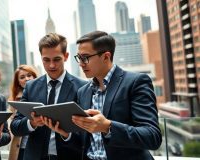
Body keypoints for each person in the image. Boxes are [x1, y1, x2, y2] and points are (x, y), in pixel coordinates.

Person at [72, 31, 162, 160]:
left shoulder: (136, 82)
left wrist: (108, 127)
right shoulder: (83, 92)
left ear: (106, 57)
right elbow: (85, 140)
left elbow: (152, 136)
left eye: (85, 57)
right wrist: (66, 133)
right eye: (79, 58)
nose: (81, 63)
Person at [10, 33, 87, 160]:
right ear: (41, 58)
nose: (51, 65)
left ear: (66, 56)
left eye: (56, 59)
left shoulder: (82, 87)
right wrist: (31, 123)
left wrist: (67, 135)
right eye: (46, 60)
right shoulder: (31, 87)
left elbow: (88, 132)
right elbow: (15, 127)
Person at [8, 65, 38, 160]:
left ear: (34, 77)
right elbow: (12, 126)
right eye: (22, 77)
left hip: (38, 147)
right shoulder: (14, 101)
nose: (26, 79)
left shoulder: (43, 95)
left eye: (29, 75)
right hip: (20, 147)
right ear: (18, 83)